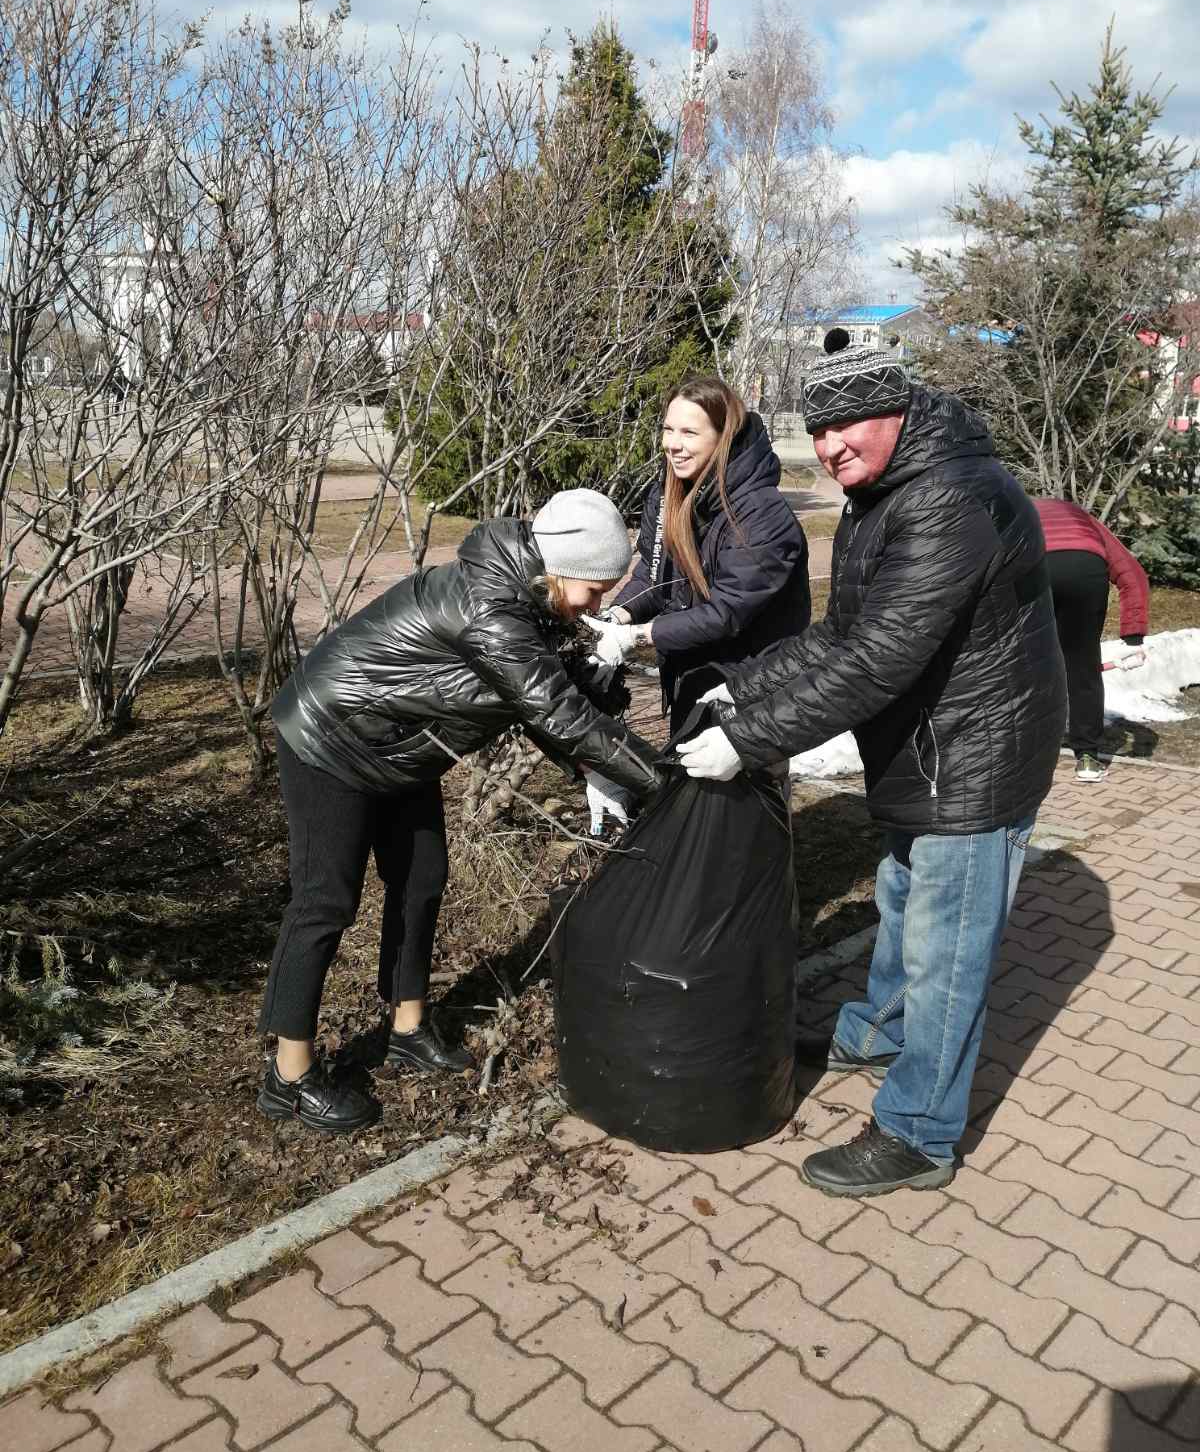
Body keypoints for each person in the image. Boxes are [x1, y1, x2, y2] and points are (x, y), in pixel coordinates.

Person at [675, 345, 1067, 1198]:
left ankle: (920, 1133)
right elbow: (840, 635)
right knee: (901, 902)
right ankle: (879, 1034)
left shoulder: (949, 499)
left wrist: (751, 740)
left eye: (849, 423)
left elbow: (878, 660)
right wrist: (744, 687)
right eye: (818, 430)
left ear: (897, 411)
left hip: (978, 758)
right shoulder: (881, 492)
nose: (830, 446)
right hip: (929, 747)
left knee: (946, 952)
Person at [258, 489, 664, 1134]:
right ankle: (288, 1075)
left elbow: (550, 703)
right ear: (563, 569)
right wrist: (664, 782)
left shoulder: (530, 598)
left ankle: (407, 1028)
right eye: (594, 590)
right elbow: (553, 712)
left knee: (421, 880)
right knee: (324, 902)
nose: (597, 605)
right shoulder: (490, 609)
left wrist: (595, 766)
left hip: (396, 745)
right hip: (329, 736)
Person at [584, 376, 810, 738]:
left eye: (689, 432)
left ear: (723, 437)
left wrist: (634, 637)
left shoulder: (760, 513)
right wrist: (615, 618)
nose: (673, 444)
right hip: (692, 675)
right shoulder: (670, 493)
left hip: (749, 691)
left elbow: (726, 612)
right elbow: (654, 575)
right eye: (668, 429)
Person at [1032, 497, 1150, 783]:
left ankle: (1027, 752)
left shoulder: (1014, 511)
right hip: (1086, 569)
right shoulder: (1085, 520)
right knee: (1083, 667)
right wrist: (1133, 635)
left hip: (1037, 566)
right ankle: (1087, 759)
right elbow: (1133, 574)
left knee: (1028, 663)